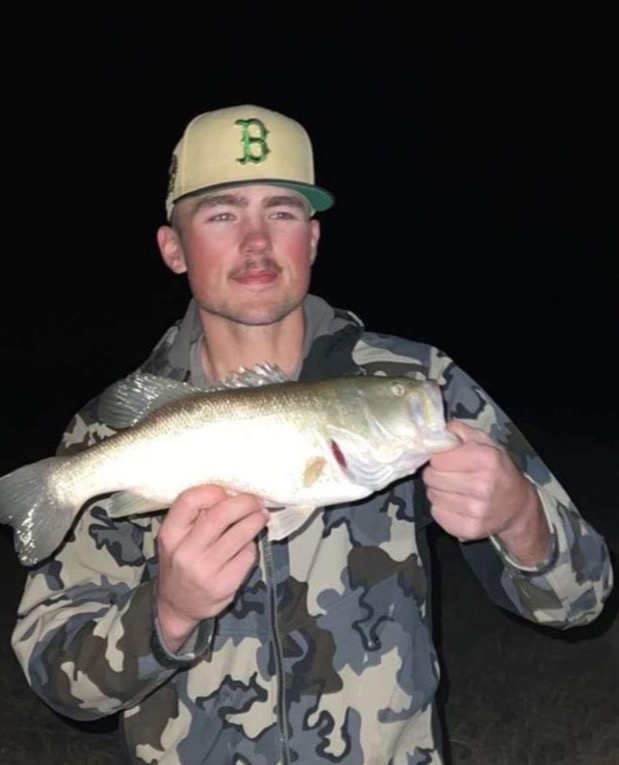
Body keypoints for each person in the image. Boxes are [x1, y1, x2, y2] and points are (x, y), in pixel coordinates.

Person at [10, 104, 613, 765]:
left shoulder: (416, 384)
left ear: (313, 239)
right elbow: (55, 675)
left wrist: (520, 517)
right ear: (172, 248)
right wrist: (167, 615)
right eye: (221, 214)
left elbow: (581, 603)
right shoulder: (110, 429)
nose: (256, 241)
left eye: (282, 212)